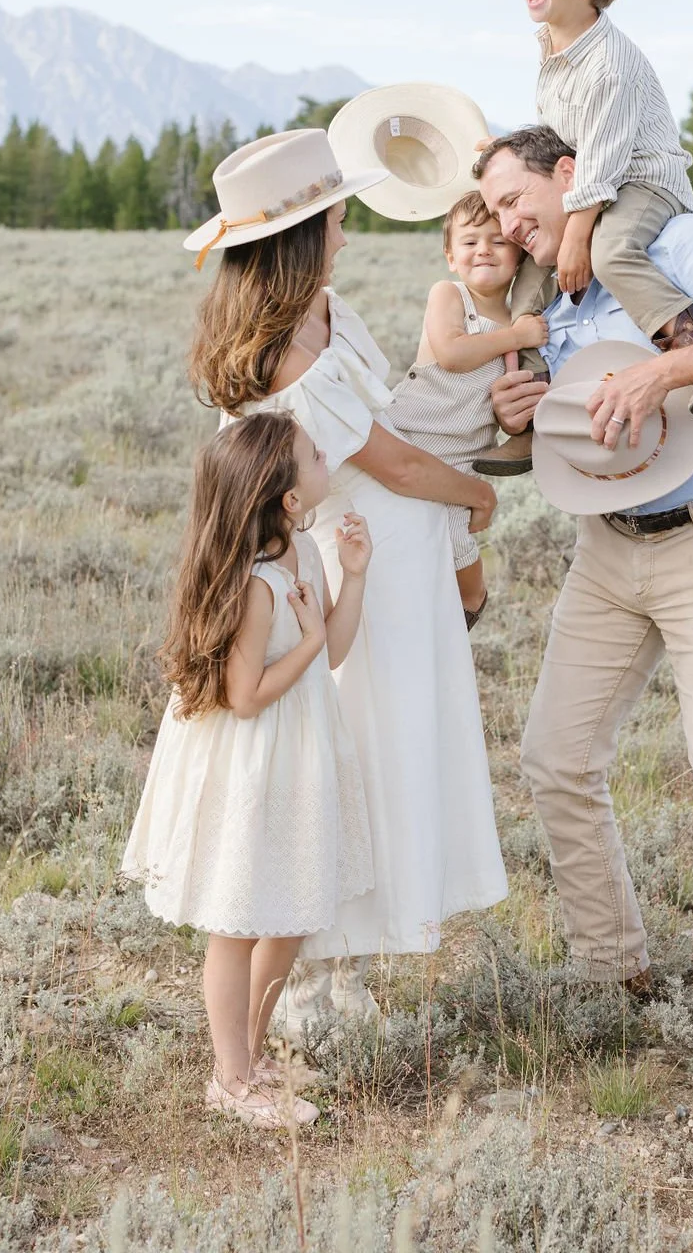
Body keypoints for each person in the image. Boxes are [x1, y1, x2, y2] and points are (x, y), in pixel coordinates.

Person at [474, 125, 693, 1003]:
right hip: (609, 548)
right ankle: (614, 972)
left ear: (571, 173)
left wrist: (666, 374)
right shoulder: (544, 295)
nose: (510, 225)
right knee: (556, 758)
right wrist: (520, 412)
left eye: (516, 202)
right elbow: (576, 427)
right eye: (493, 214)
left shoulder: (679, 243)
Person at [186, 129, 508, 1041]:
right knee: (341, 759)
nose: (345, 231)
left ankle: (343, 964)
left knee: (385, 754)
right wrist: (477, 493)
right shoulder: (285, 350)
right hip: (341, 571)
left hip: (395, 570)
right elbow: (393, 465)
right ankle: (302, 987)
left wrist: (491, 408)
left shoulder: (330, 312)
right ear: (297, 236)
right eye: (332, 218)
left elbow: (398, 413)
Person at [121, 411, 374, 1128]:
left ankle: (254, 1055)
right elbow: (245, 695)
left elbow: (330, 653)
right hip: (252, 756)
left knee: (290, 910)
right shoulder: (255, 584)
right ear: (289, 497)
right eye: (314, 455)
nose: (327, 456)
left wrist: (352, 579)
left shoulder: (305, 551)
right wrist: (312, 637)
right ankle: (228, 1079)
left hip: (298, 751)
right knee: (237, 920)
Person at [475, 0, 693, 478]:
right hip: (598, 186)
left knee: (611, 251)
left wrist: (576, 236)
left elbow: (600, 158)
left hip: (643, 180)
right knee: (524, 298)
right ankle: (532, 419)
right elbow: (560, 139)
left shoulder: (610, 63)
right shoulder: (551, 50)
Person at [387, 190, 548, 627]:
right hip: (411, 434)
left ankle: (468, 605)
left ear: (518, 255)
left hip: (464, 454)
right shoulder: (451, 295)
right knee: (394, 524)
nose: (484, 250)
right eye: (470, 241)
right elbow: (452, 353)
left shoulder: (521, 317)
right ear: (450, 256)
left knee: (454, 537)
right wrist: (517, 337)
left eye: (498, 241)